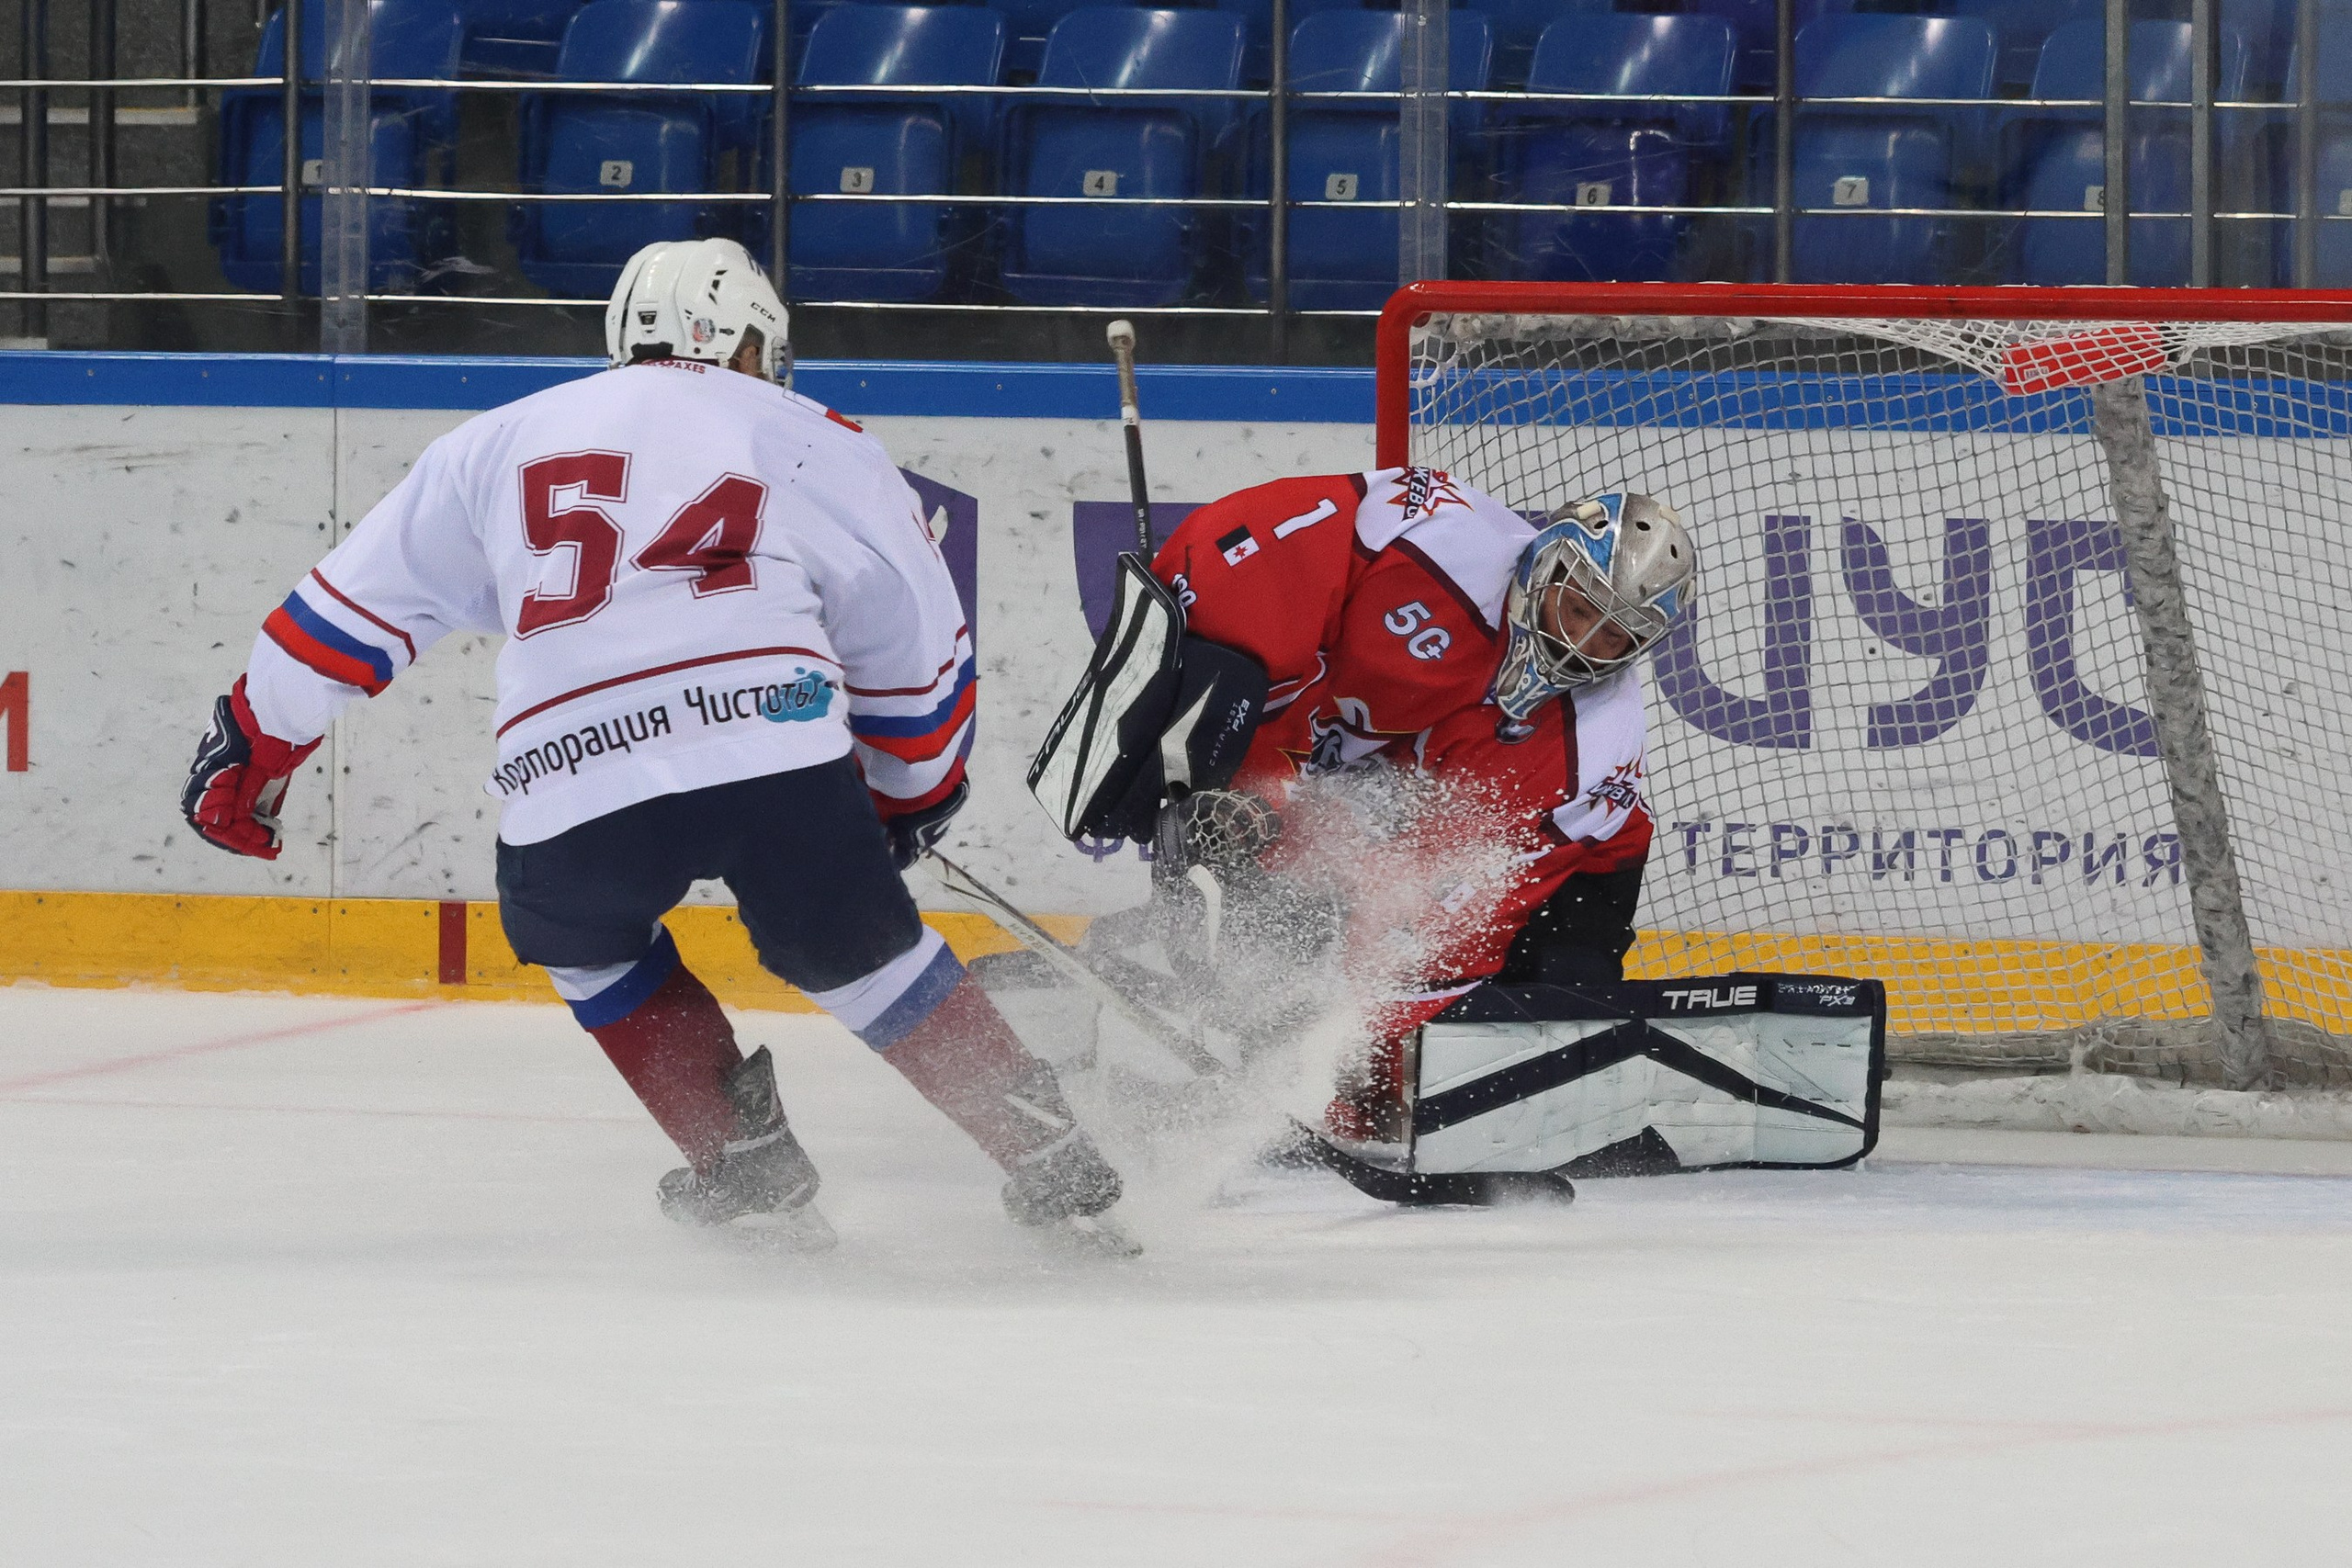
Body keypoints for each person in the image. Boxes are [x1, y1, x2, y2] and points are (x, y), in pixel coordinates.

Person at [179, 238, 1126, 1247]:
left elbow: (347, 613)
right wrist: (910, 790)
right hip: (771, 746)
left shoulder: (492, 442)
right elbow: (907, 630)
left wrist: (256, 743)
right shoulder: (813, 436)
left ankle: (744, 1166)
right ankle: (1052, 1154)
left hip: (569, 765)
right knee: (860, 955)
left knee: (581, 940)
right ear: (748, 344)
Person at [1084, 467, 1696, 1143]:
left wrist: (1352, 1066)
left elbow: (1448, 919)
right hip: (1385, 772)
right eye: (1580, 609)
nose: (1582, 643)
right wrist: (1239, 782)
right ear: (1546, 566)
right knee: (1276, 900)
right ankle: (1247, 1046)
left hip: (1573, 870)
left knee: (1546, 1004)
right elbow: (1269, 547)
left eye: (1615, 635)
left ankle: (1513, 1109)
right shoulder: (1442, 539)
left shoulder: (1592, 742)